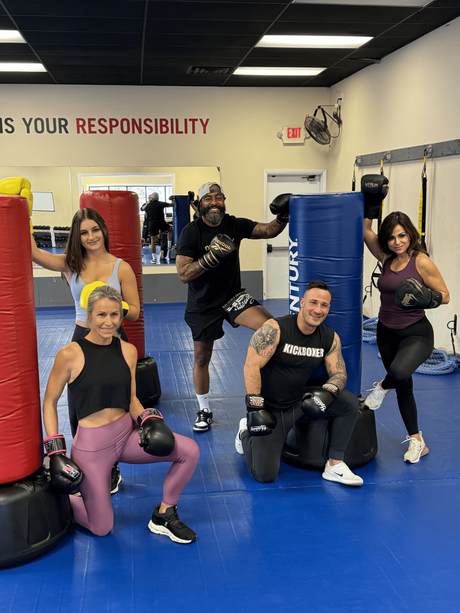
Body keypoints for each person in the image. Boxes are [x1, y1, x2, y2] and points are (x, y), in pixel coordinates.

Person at [42, 284, 200, 543]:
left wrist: (148, 419)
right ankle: (63, 499)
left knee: (189, 451)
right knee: (101, 527)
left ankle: (164, 513)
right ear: (89, 315)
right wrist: (56, 451)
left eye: (114, 315)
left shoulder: (127, 350)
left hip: (126, 436)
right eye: (101, 315)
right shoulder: (70, 354)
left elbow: (131, 399)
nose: (108, 321)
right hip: (92, 449)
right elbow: (49, 402)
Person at [31, 206, 140, 493]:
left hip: (114, 337)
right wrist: (23, 209)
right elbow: (35, 253)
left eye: (95, 230)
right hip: (82, 335)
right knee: (82, 404)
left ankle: (113, 465)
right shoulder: (71, 264)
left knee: (117, 402)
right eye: (83, 233)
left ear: (103, 230)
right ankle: (84, 463)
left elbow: (136, 312)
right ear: (77, 237)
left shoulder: (121, 267)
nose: (91, 237)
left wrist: (110, 305)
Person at [175, 181, 290, 433]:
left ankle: (272, 397)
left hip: (232, 297)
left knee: (273, 330)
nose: (214, 202)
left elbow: (268, 231)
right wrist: (211, 257)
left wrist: (282, 216)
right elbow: (183, 273)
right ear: (199, 204)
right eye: (208, 198)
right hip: (203, 304)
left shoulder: (234, 224)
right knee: (202, 357)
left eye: (218, 197)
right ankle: (204, 408)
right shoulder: (190, 232)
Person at [235, 280, 363, 486]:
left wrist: (328, 392)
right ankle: (244, 432)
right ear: (302, 302)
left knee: (348, 403)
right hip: (271, 410)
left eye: (324, 305)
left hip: (300, 402)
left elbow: (339, 373)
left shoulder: (329, 338)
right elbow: (251, 366)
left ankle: (335, 464)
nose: (318, 310)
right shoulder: (275, 329)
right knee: (265, 475)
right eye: (313, 303)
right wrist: (254, 409)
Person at [363, 201, 450, 463]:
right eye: (391, 237)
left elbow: (445, 296)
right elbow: (366, 231)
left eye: (402, 235)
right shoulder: (387, 258)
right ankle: (417, 441)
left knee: (398, 374)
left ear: (411, 234)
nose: (397, 242)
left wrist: (426, 297)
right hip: (385, 331)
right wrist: (371, 201)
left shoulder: (421, 261)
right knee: (404, 387)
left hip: (416, 333)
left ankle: (381, 386)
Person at [142, 192, 174, 262]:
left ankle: (154, 259)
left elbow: (146, 216)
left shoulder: (148, 206)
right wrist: (173, 200)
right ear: (158, 198)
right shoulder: (160, 203)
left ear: (152, 198)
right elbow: (172, 205)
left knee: (153, 241)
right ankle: (169, 245)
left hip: (152, 223)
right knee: (170, 229)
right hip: (160, 222)